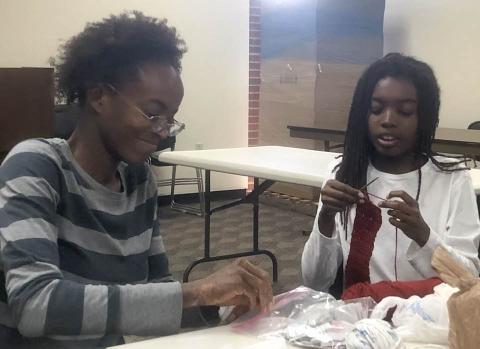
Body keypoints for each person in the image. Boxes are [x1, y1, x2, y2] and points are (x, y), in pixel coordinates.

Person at [0, 12, 272, 348]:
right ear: (99, 96)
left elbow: (154, 290)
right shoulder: (36, 166)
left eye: (170, 119)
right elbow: (35, 305)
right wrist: (197, 290)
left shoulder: (139, 180)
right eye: (152, 112)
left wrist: (215, 306)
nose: (162, 131)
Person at [302, 53, 480, 297]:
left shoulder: (453, 180)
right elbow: (315, 281)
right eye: (376, 109)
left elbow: (467, 281)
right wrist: (326, 218)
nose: (387, 120)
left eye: (405, 111)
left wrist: (423, 235)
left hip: (426, 324)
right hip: (361, 323)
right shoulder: (344, 173)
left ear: (424, 118)